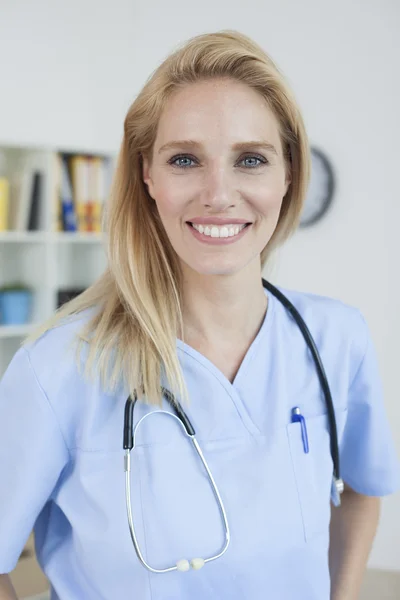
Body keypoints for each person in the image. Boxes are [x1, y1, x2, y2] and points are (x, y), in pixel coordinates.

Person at [0, 29, 399, 600]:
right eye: (185, 159)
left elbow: (363, 488)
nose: (219, 193)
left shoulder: (336, 338)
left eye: (251, 160)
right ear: (148, 175)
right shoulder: (58, 369)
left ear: (288, 175)